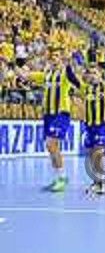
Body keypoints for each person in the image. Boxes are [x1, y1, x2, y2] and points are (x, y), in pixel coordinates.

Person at [18, 48, 79, 192]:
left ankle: (62, 177)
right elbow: (25, 76)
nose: (53, 59)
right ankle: (58, 177)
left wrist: (69, 62)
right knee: (50, 147)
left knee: (51, 144)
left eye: (57, 56)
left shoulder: (64, 74)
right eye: (52, 57)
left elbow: (73, 76)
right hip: (48, 114)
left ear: (60, 59)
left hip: (60, 113)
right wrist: (12, 64)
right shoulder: (46, 75)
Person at [72, 47, 105, 196]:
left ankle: (101, 182)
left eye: (95, 73)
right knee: (92, 154)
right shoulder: (85, 89)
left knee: (98, 152)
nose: (92, 75)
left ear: (100, 75)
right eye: (90, 73)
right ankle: (96, 180)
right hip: (89, 125)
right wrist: (69, 63)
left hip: (102, 125)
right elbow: (72, 79)